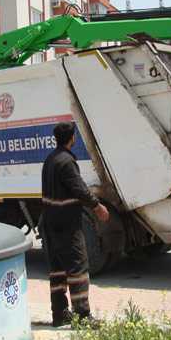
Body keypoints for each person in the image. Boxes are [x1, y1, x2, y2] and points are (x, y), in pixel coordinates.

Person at [41, 122, 109, 327]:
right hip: (67, 224)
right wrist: (97, 207)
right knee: (78, 268)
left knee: (58, 270)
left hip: (50, 222)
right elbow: (79, 189)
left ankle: (60, 314)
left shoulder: (50, 160)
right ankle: (82, 316)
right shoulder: (67, 162)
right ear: (72, 138)